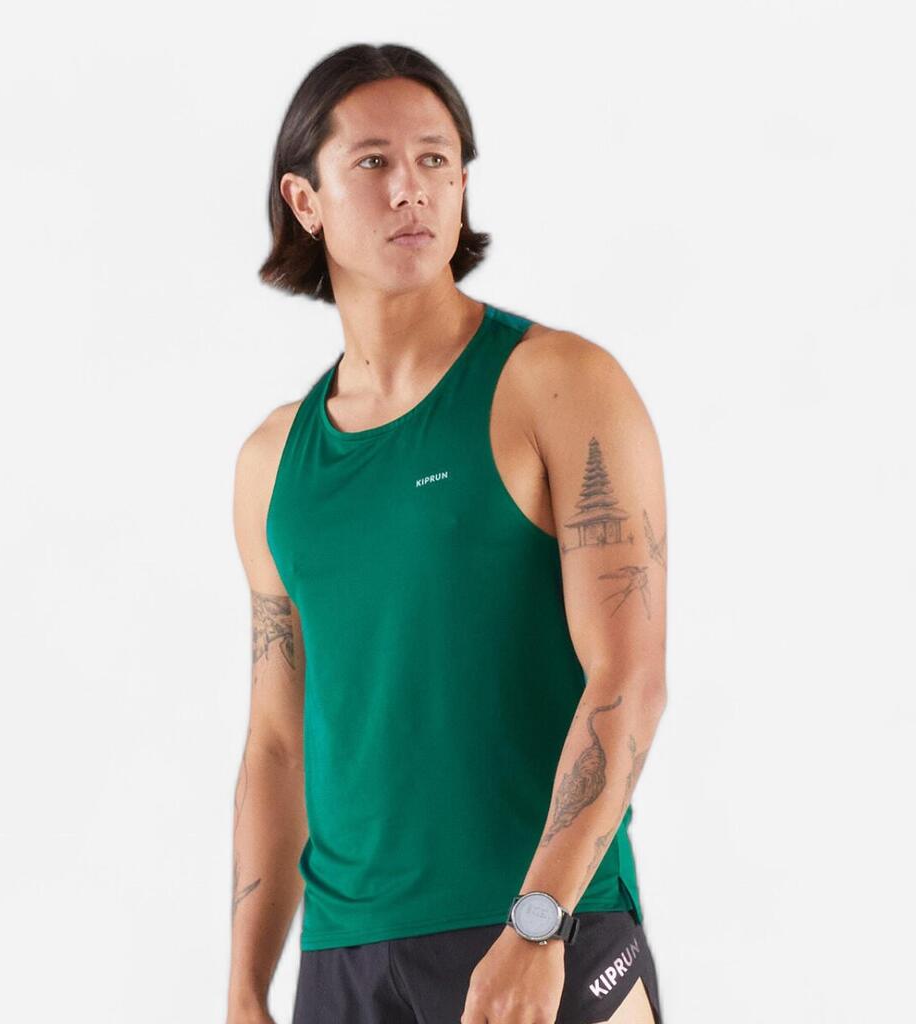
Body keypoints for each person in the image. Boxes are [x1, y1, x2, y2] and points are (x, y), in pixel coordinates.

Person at [227, 43, 667, 1024]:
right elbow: (276, 743)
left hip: (542, 926)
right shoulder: (273, 463)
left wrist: (539, 924)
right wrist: (245, 988)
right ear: (304, 200)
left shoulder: (558, 384)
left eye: (435, 159)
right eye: (373, 162)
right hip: (345, 960)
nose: (411, 189)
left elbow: (628, 679)